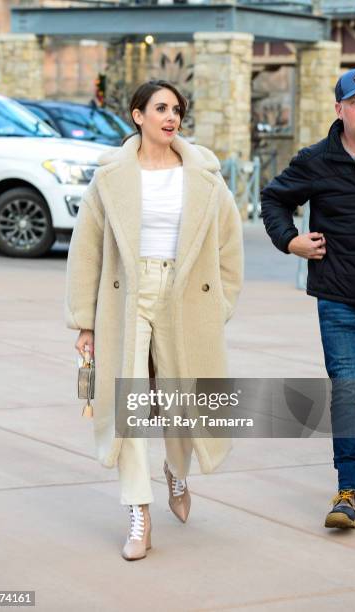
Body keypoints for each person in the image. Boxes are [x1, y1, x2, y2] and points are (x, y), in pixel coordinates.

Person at [64, 80, 243, 560]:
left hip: (185, 294)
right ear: (138, 115)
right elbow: (87, 251)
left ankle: (177, 470)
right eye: (161, 108)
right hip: (127, 295)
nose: (171, 117)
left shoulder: (203, 175)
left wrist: (219, 304)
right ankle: (138, 510)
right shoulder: (111, 178)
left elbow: (229, 245)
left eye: (177, 109)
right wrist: (85, 320)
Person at [261, 68, 355, 530]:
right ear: (340, 109)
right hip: (340, 298)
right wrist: (291, 242)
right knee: (347, 389)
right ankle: (350, 489)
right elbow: (272, 200)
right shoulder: (316, 160)